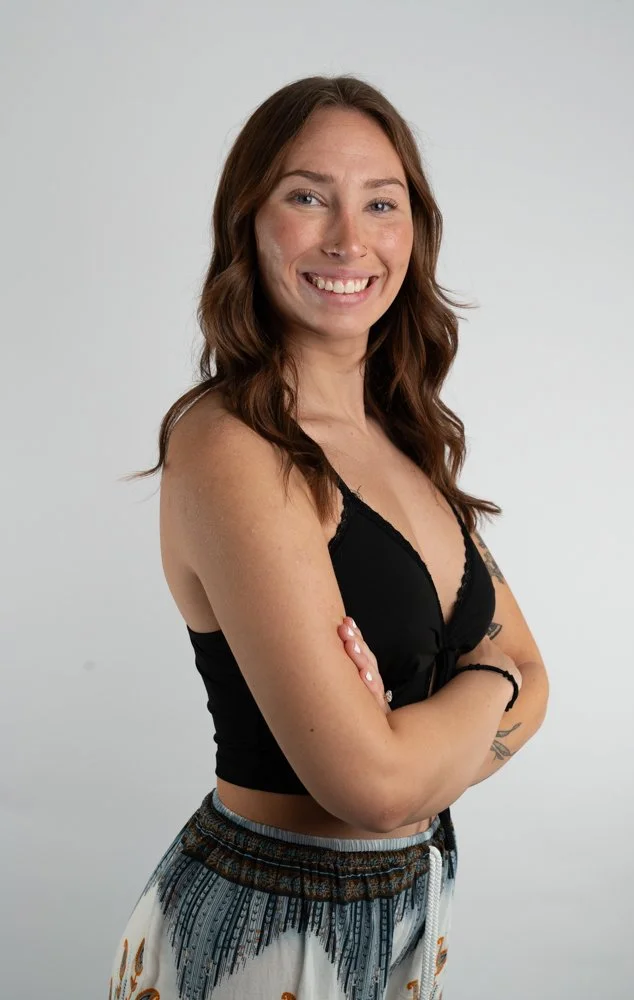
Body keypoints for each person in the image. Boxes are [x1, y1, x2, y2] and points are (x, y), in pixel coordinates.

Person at [109, 74, 549, 1000]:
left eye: (380, 203)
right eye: (308, 198)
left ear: (413, 230)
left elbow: (533, 675)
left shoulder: (402, 437)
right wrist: (488, 683)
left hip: (407, 916)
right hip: (264, 931)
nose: (349, 239)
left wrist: (420, 738)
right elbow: (377, 788)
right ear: (248, 222)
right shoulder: (231, 445)